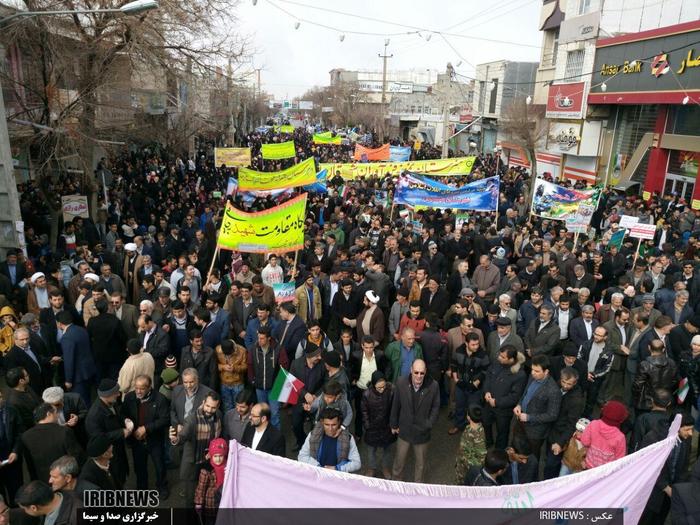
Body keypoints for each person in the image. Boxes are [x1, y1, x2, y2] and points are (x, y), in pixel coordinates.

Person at [639, 413, 695, 525]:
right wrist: (665, 487)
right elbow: (647, 466)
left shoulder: (685, 440)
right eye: (687, 429)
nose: (690, 433)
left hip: (668, 498)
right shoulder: (654, 438)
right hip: (651, 494)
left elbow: (683, 467)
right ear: (677, 427)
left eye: (692, 429)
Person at [169, 391, 222, 508]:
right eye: (207, 406)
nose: (209, 410)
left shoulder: (218, 415)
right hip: (194, 463)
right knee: (191, 498)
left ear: (217, 407)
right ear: (203, 402)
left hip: (210, 463)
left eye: (213, 407)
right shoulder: (192, 419)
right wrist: (175, 439)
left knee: (207, 495)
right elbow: (182, 436)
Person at [390, 359, 440, 482]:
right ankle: (396, 483)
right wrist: (394, 424)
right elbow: (395, 404)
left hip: (422, 432)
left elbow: (436, 407)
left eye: (421, 373)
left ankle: (418, 488)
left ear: (425, 372)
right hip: (404, 429)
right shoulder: (401, 382)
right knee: (399, 461)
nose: (418, 376)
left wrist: (429, 423)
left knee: (420, 464)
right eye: (416, 372)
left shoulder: (433, 386)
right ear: (411, 370)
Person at [121, 375, 169, 498]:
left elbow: (165, 419)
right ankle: (142, 489)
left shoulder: (160, 399)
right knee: (139, 467)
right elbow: (123, 414)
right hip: (137, 440)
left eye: (142, 388)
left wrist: (146, 428)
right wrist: (127, 422)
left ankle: (162, 487)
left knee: (159, 466)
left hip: (154, 440)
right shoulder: (129, 397)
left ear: (149, 388)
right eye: (136, 387)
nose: (138, 391)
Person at [20, 403, 84, 489]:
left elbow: (30, 464)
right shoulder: (64, 432)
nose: (58, 415)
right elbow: (76, 456)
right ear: (48, 414)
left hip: (43, 481)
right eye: (56, 412)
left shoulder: (26, 436)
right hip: (65, 480)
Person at [85, 379, 132, 488]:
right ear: (108, 395)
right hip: (109, 456)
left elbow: (117, 416)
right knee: (115, 481)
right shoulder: (94, 416)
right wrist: (120, 432)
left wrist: (124, 420)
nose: (119, 394)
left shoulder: (110, 403)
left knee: (121, 475)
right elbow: (98, 438)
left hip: (117, 450)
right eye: (116, 392)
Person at [512, 354, 561, 455]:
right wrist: (519, 404)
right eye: (532, 369)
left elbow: (552, 415)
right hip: (520, 423)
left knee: (531, 458)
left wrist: (529, 418)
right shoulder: (532, 377)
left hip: (535, 432)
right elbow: (525, 394)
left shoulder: (553, 390)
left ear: (546, 371)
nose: (533, 373)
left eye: (537, 371)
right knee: (515, 450)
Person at [543, 367, 585, 479]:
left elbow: (571, 424)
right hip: (550, 430)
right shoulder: (557, 386)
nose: (565, 386)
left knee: (551, 464)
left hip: (559, 435)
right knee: (549, 459)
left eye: (569, 384)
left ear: (575, 383)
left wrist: (560, 443)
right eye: (563, 382)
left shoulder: (576, 400)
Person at [482, 346, 527, 449]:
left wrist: (497, 402)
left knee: (502, 432)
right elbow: (488, 376)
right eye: (500, 355)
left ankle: (499, 451)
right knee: (485, 422)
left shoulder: (520, 375)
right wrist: (487, 391)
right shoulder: (497, 363)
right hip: (488, 404)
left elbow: (515, 396)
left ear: (511, 359)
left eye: (502, 357)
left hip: (503, 410)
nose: (499, 358)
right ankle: (488, 442)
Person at [448, 333, 489, 435]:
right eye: (473, 345)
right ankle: (458, 425)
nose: (476, 347)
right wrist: (456, 378)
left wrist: (477, 382)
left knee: (473, 408)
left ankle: (472, 430)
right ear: (466, 343)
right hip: (460, 385)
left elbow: (486, 370)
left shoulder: (482, 354)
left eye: (477, 344)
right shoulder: (458, 351)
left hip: (475, 388)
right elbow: (453, 364)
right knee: (459, 407)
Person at [298, 407, 361, 473]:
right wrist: (318, 467)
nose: (330, 429)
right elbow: (302, 456)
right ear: (322, 422)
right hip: (317, 474)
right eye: (327, 425)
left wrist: (337, 468)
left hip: (338, 476)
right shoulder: (312, 435)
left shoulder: (349, 438)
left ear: (339, 422)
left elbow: (356, 463)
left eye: (334, 425)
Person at [57, 310, 96, 406]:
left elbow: (69, 360)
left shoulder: (66, 337)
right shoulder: (81, 329)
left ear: (59, 323)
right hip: (89, 371)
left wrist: (68, 380)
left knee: (81, 403)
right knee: (89, 397)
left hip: (78, 376)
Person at [579, 400, 628, 470]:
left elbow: (584, 441)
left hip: (588, 467)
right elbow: (619, 460)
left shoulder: (594, 424)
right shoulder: (620, 437)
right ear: (621, 419)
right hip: (604, 473)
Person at [194, 438, 227, 525]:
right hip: (211, 503)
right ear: (211, 455)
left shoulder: (228, 466)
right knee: (210, 521)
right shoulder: (206, 469)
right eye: (215, 456)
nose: (218, 459)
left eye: (220, 456)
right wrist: (198, 503)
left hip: (224, 500)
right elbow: (201, 488)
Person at [15, 481, 79, 525]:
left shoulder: (77, 518)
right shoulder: (65, 495)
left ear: (34, 508)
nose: (24, 512)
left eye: (25, 509)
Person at [453, 406, 486, 485]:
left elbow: (481, 460)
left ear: (468, 417)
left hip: (468, 470)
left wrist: (465, 460)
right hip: (461, 465)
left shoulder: (478, 437)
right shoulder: (469, 428)